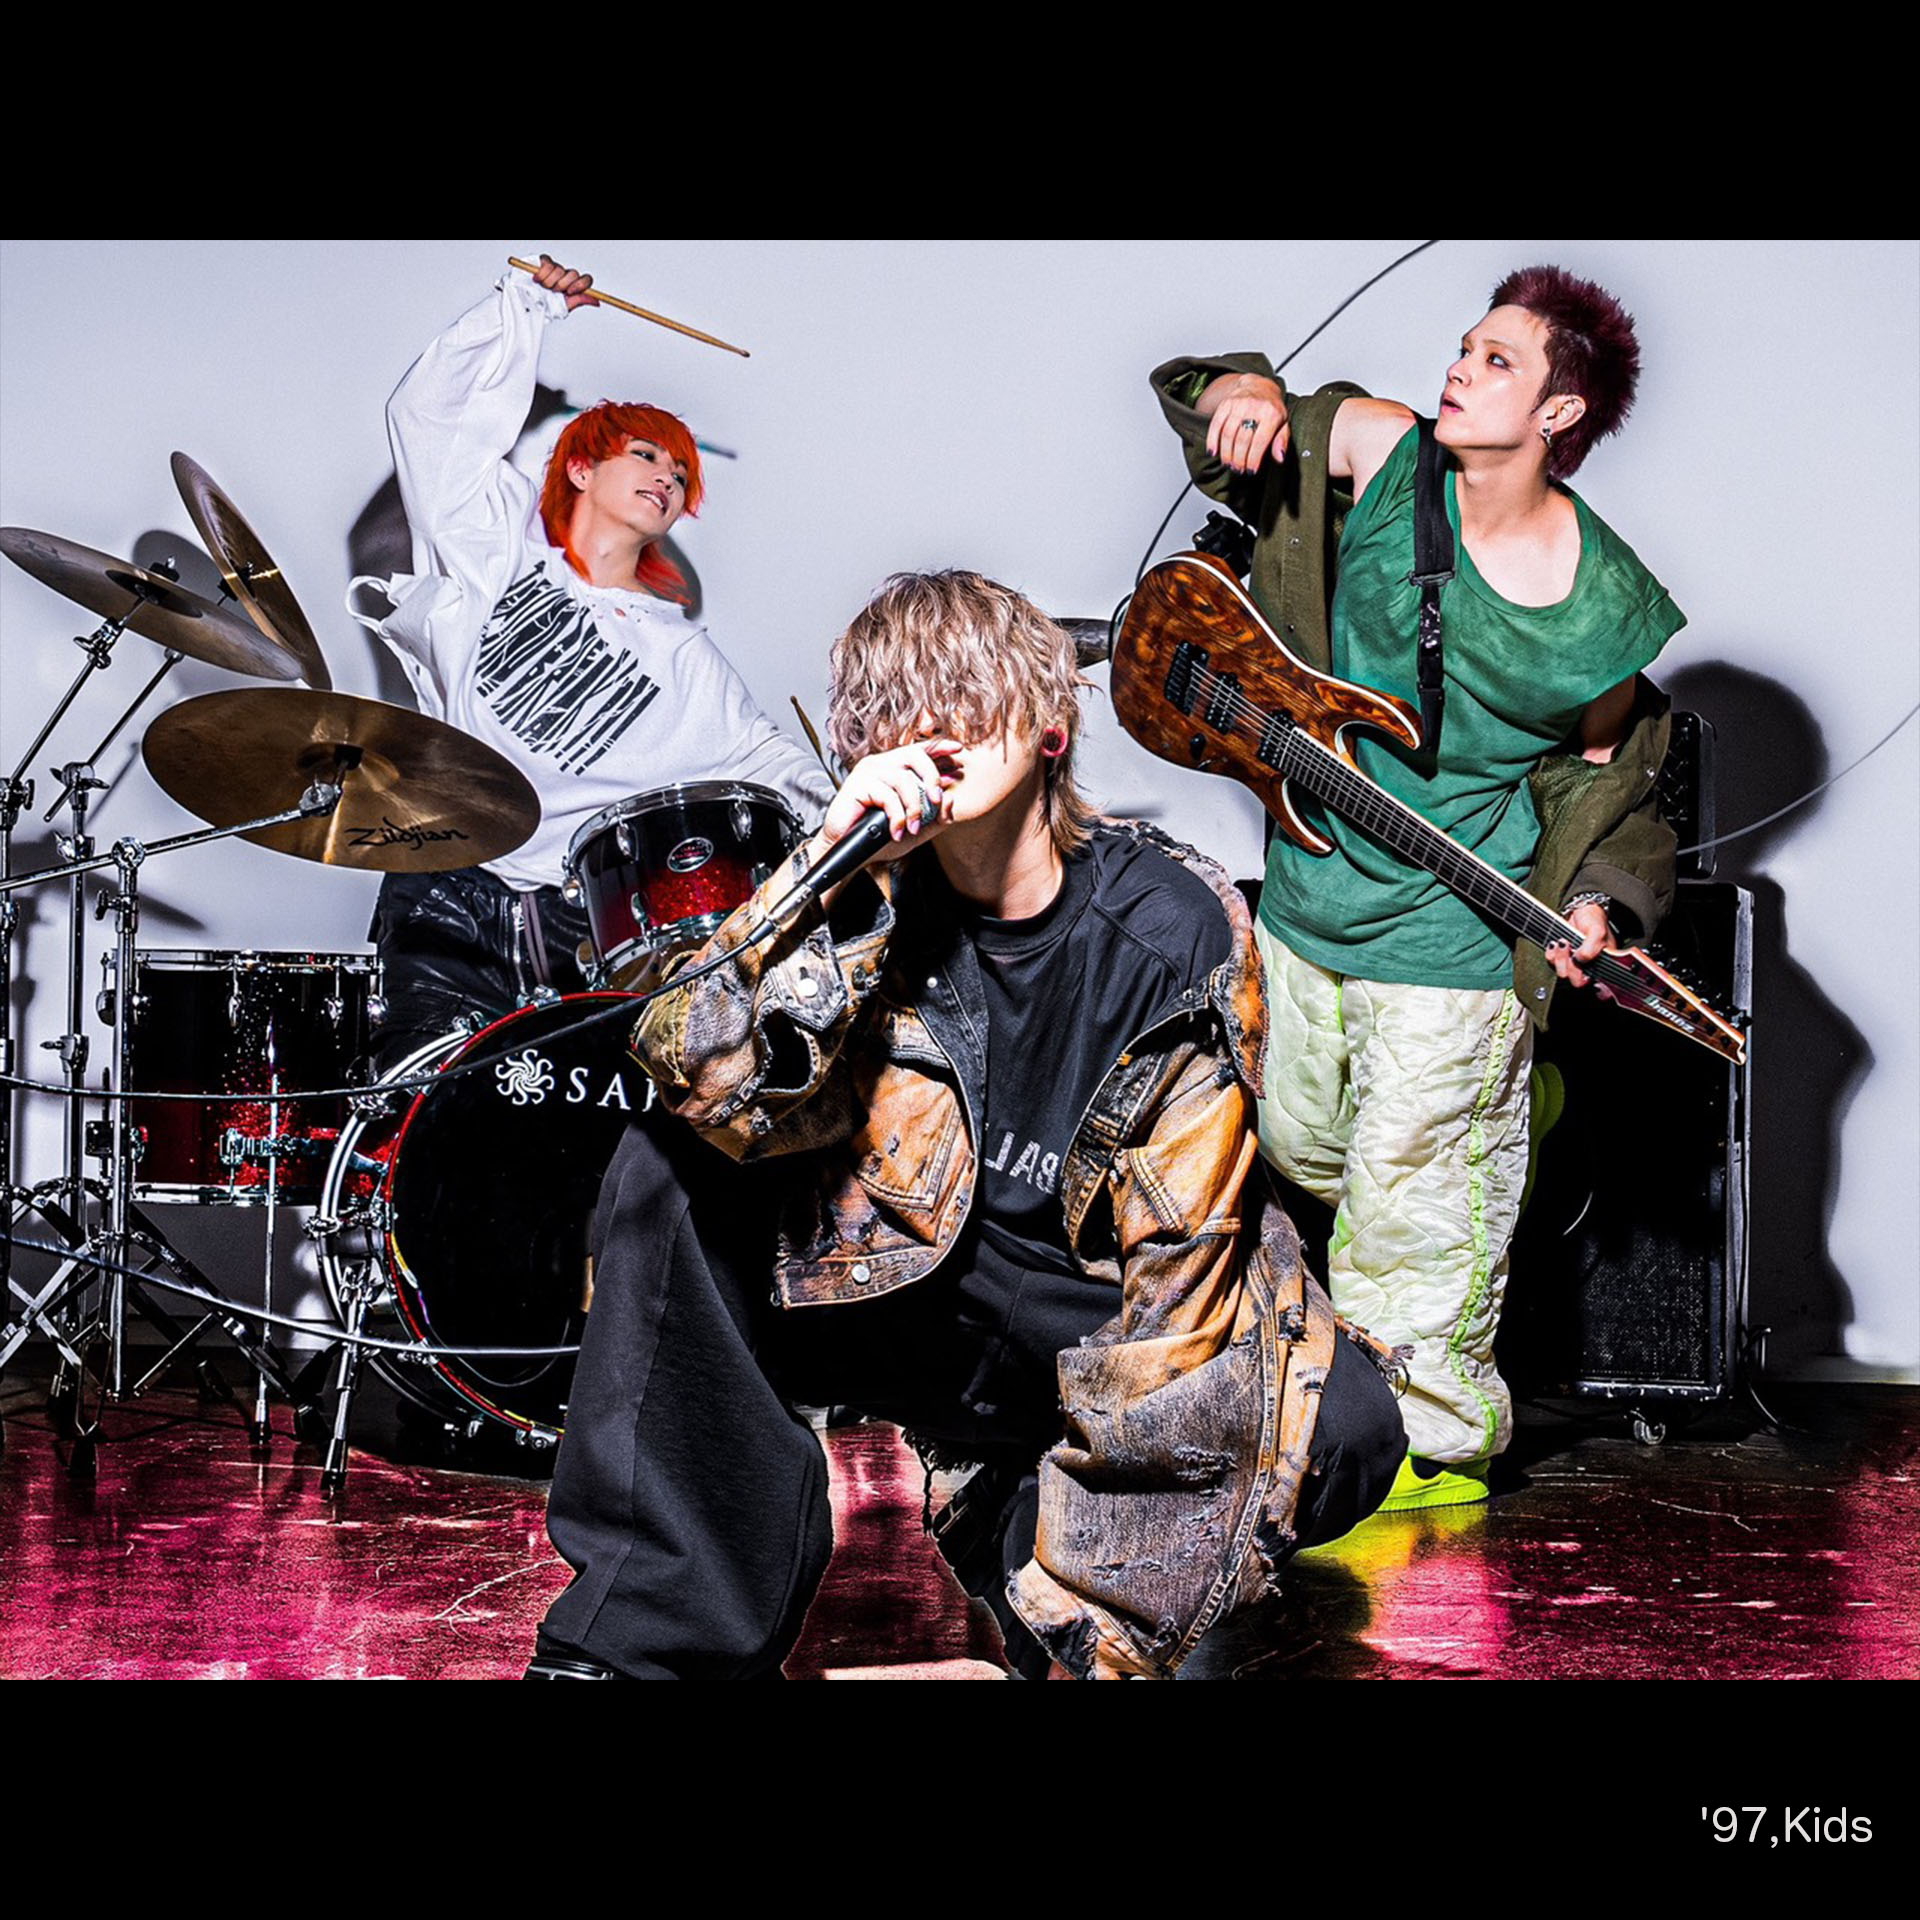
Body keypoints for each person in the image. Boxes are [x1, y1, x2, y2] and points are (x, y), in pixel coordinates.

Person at [530, 570, 1407, 1679]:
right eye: (895, 706)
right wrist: (826, 873)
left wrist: (1097, 1633)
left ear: (1050, 726)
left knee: (1345, 1423)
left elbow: (1183, 1283)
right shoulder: (861, 898)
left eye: (965, 692)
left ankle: (1025, 1504)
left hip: (1091, 1309)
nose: (930, 723)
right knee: (669, 1160)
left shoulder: (1168, 922)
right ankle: (642, 1641)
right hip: (914, 1283)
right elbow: (691, 1067)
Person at [1151, 264, 1683, 1510]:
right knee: (1301, 1146)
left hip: (1459, 932)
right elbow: (1228, 408)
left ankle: (1428, 1448)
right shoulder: (1387, 453)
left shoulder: (1605, 606)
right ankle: (1516, 1110)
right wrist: (1238, 397)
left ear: (1558, 411)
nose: (1460, 369)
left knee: (1410, 1207)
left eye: (1499, 361)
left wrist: (1595, 904)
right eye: (1465, 346)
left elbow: (1609, 784)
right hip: (1314, 891)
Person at [353, 254, 831, 1063]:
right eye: (647, 454)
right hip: (447, 889)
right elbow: (428, 420)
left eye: (680, 474)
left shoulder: (678, 650)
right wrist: (525, 311)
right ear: (581, 466)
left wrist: (856, 805)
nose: (667, 477)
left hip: (580, 924)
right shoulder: (497, 549)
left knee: (580, 1130)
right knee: (420, 1113)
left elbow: (766, 761)